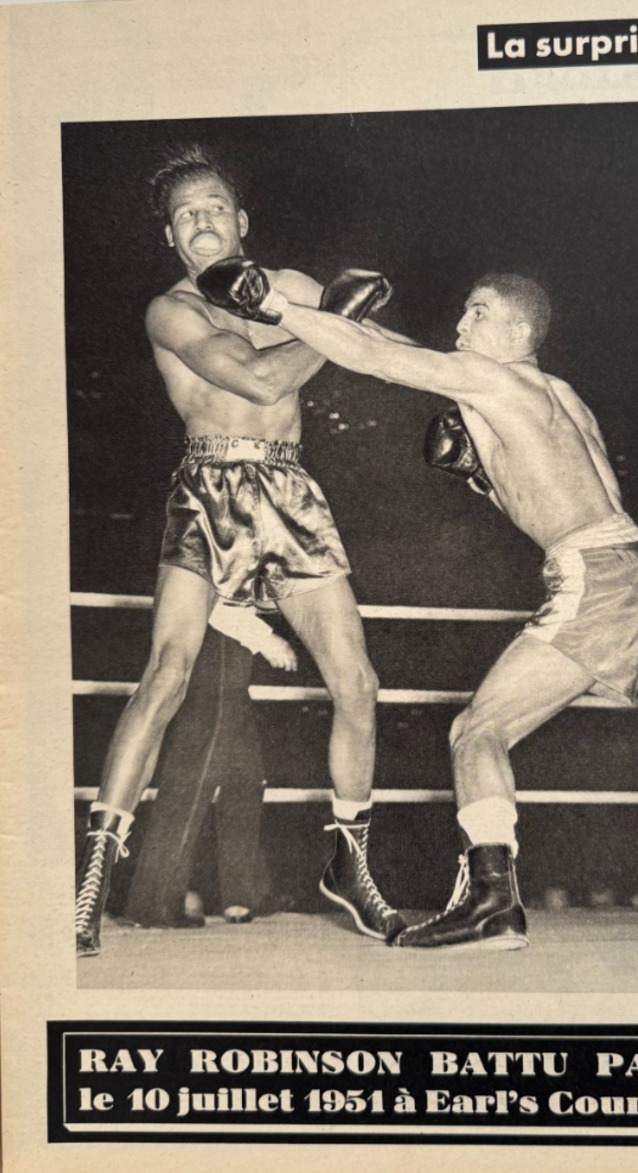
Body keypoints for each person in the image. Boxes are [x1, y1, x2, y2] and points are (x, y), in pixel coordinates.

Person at [196, 262, 638, 951]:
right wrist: (482, 480)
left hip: (603, 581)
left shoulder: (495, 379)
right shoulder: (560, 394)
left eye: (478, 312)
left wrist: (273, 302)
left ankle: (494, 903)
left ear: (517, 329)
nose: (461, 325)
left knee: (476, 731)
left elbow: (381, 359)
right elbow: (551, 486)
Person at [74, 146, 406, 957]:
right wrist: (340, 323)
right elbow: (258, 380)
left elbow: (382, 348)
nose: (202, 220)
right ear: (172, 237)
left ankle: (351, 862)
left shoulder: (287, 287)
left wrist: (481, 392)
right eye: (185, 215)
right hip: (210, 490)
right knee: (168, 675)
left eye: (214, 206)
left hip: (292, 490)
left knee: (358, 681)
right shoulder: (170, 310)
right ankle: (92, 877)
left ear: (240, 220)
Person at [123, 604, 295, 930]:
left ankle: (242, 892)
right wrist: (265, 638)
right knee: (196, 763)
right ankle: (155, 899)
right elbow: (209, 594)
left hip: (224, 637)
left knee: (245, 770)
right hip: (216, 636)